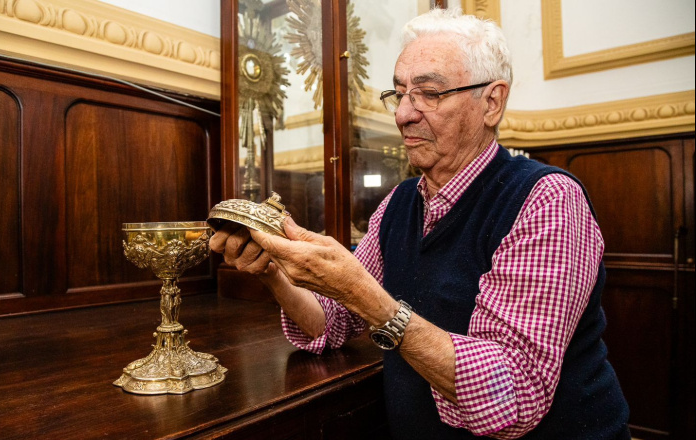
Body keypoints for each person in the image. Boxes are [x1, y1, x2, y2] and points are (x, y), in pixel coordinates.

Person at [210, 7, 629, 439]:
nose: (403, 114)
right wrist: (274, 272)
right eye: (399, 94)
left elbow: (513, 395)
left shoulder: (547, 201)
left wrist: (368, 297)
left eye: (428, 93)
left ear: (492, 101)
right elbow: (332, 324)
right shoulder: (399, 203)